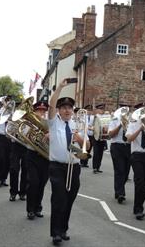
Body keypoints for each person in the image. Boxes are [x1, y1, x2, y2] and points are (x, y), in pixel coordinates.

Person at [48, 79, 90, 245]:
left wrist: (78, 137)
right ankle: (55, 233)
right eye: (64, 108)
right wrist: (60, 87)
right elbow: (51, 105)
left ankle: (63, 229)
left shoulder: (77, 124)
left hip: (74, 166)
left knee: (69, 199)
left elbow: (87, 146)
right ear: (59, 110)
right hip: (57, 166)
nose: (67, 110)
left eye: (69, 108)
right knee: (58, 199)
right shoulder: (53, 123)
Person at [24, 101, 50, 220]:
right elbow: (23, 136)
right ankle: (30, 209)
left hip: (46, 156)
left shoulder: (50, 123)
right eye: (39, 111)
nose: (41, 113)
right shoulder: (28, 123)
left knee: (42, 183)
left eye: (44, 111)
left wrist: (50, 133)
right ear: (34, 112)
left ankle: (38, 207)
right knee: (33, 182)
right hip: (32, 154)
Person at [108, 103, 132, 204]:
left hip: (128, 146)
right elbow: (110, 134)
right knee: (119, 170)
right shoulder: (114, 120)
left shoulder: (131, 120)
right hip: (117, 146)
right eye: (123, 110)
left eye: (127, 111)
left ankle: (119, 190)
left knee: (126, 172)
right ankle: (120, 193)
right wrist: (120, 125)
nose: (125, 113)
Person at [92, 104, 108, 174]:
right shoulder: (95, 117)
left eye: (103, 109)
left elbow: (107, 125)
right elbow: (93, 125)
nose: (102, 110)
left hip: (103, 137)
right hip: (96, 136)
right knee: (96, 152)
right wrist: (93, 129)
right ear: (98, 110)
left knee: (101, 153)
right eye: (101, 109)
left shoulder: (106, 117)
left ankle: (98, 167)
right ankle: (95, 167)